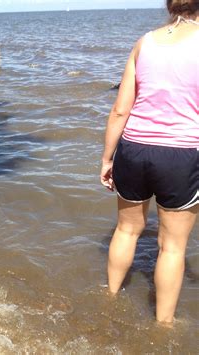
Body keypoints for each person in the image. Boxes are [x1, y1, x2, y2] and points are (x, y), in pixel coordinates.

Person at [100, 0, 198, 324]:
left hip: (134, 150)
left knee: (126, 231)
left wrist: (106, 158)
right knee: (172, 247)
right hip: (181, 156)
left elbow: (119, 110)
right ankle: (163, 327)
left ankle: (109, 298)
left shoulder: (145, 42)